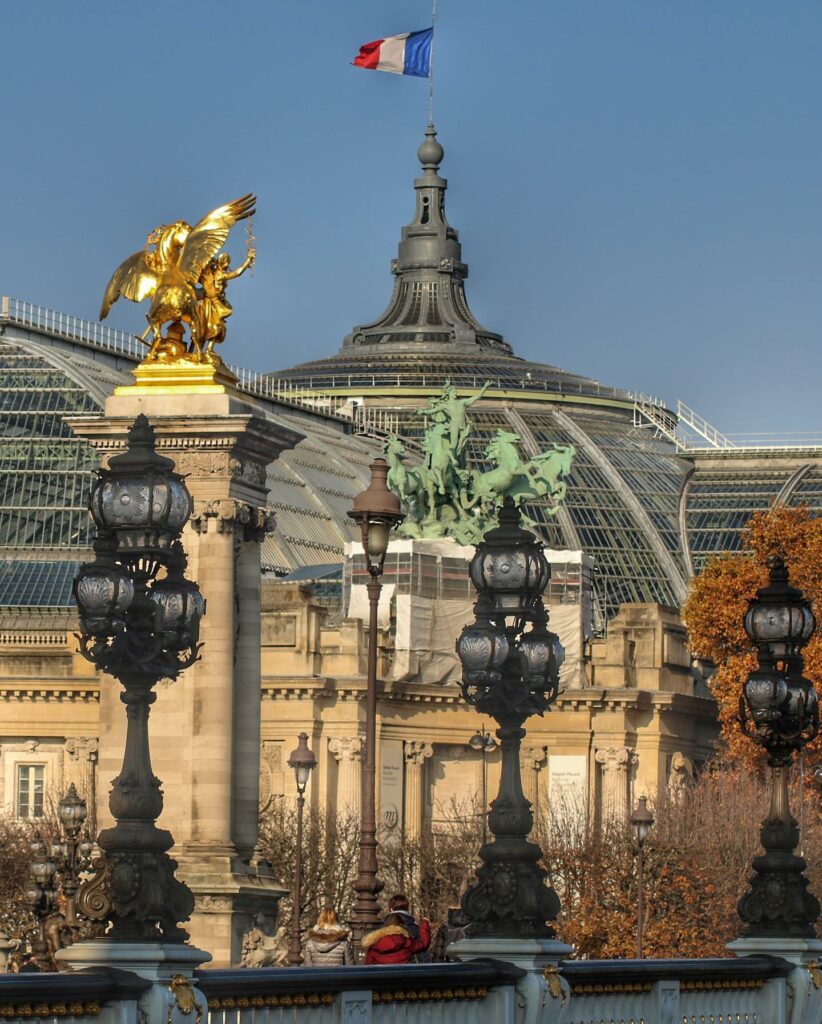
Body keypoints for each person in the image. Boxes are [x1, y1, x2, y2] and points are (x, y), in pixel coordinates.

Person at [362, 912, 431, 965]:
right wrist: (424, 925)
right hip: (402, 980)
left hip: (381, 981)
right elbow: (423, 944)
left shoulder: (374, 945)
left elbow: (368, 965)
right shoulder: (407, 942)